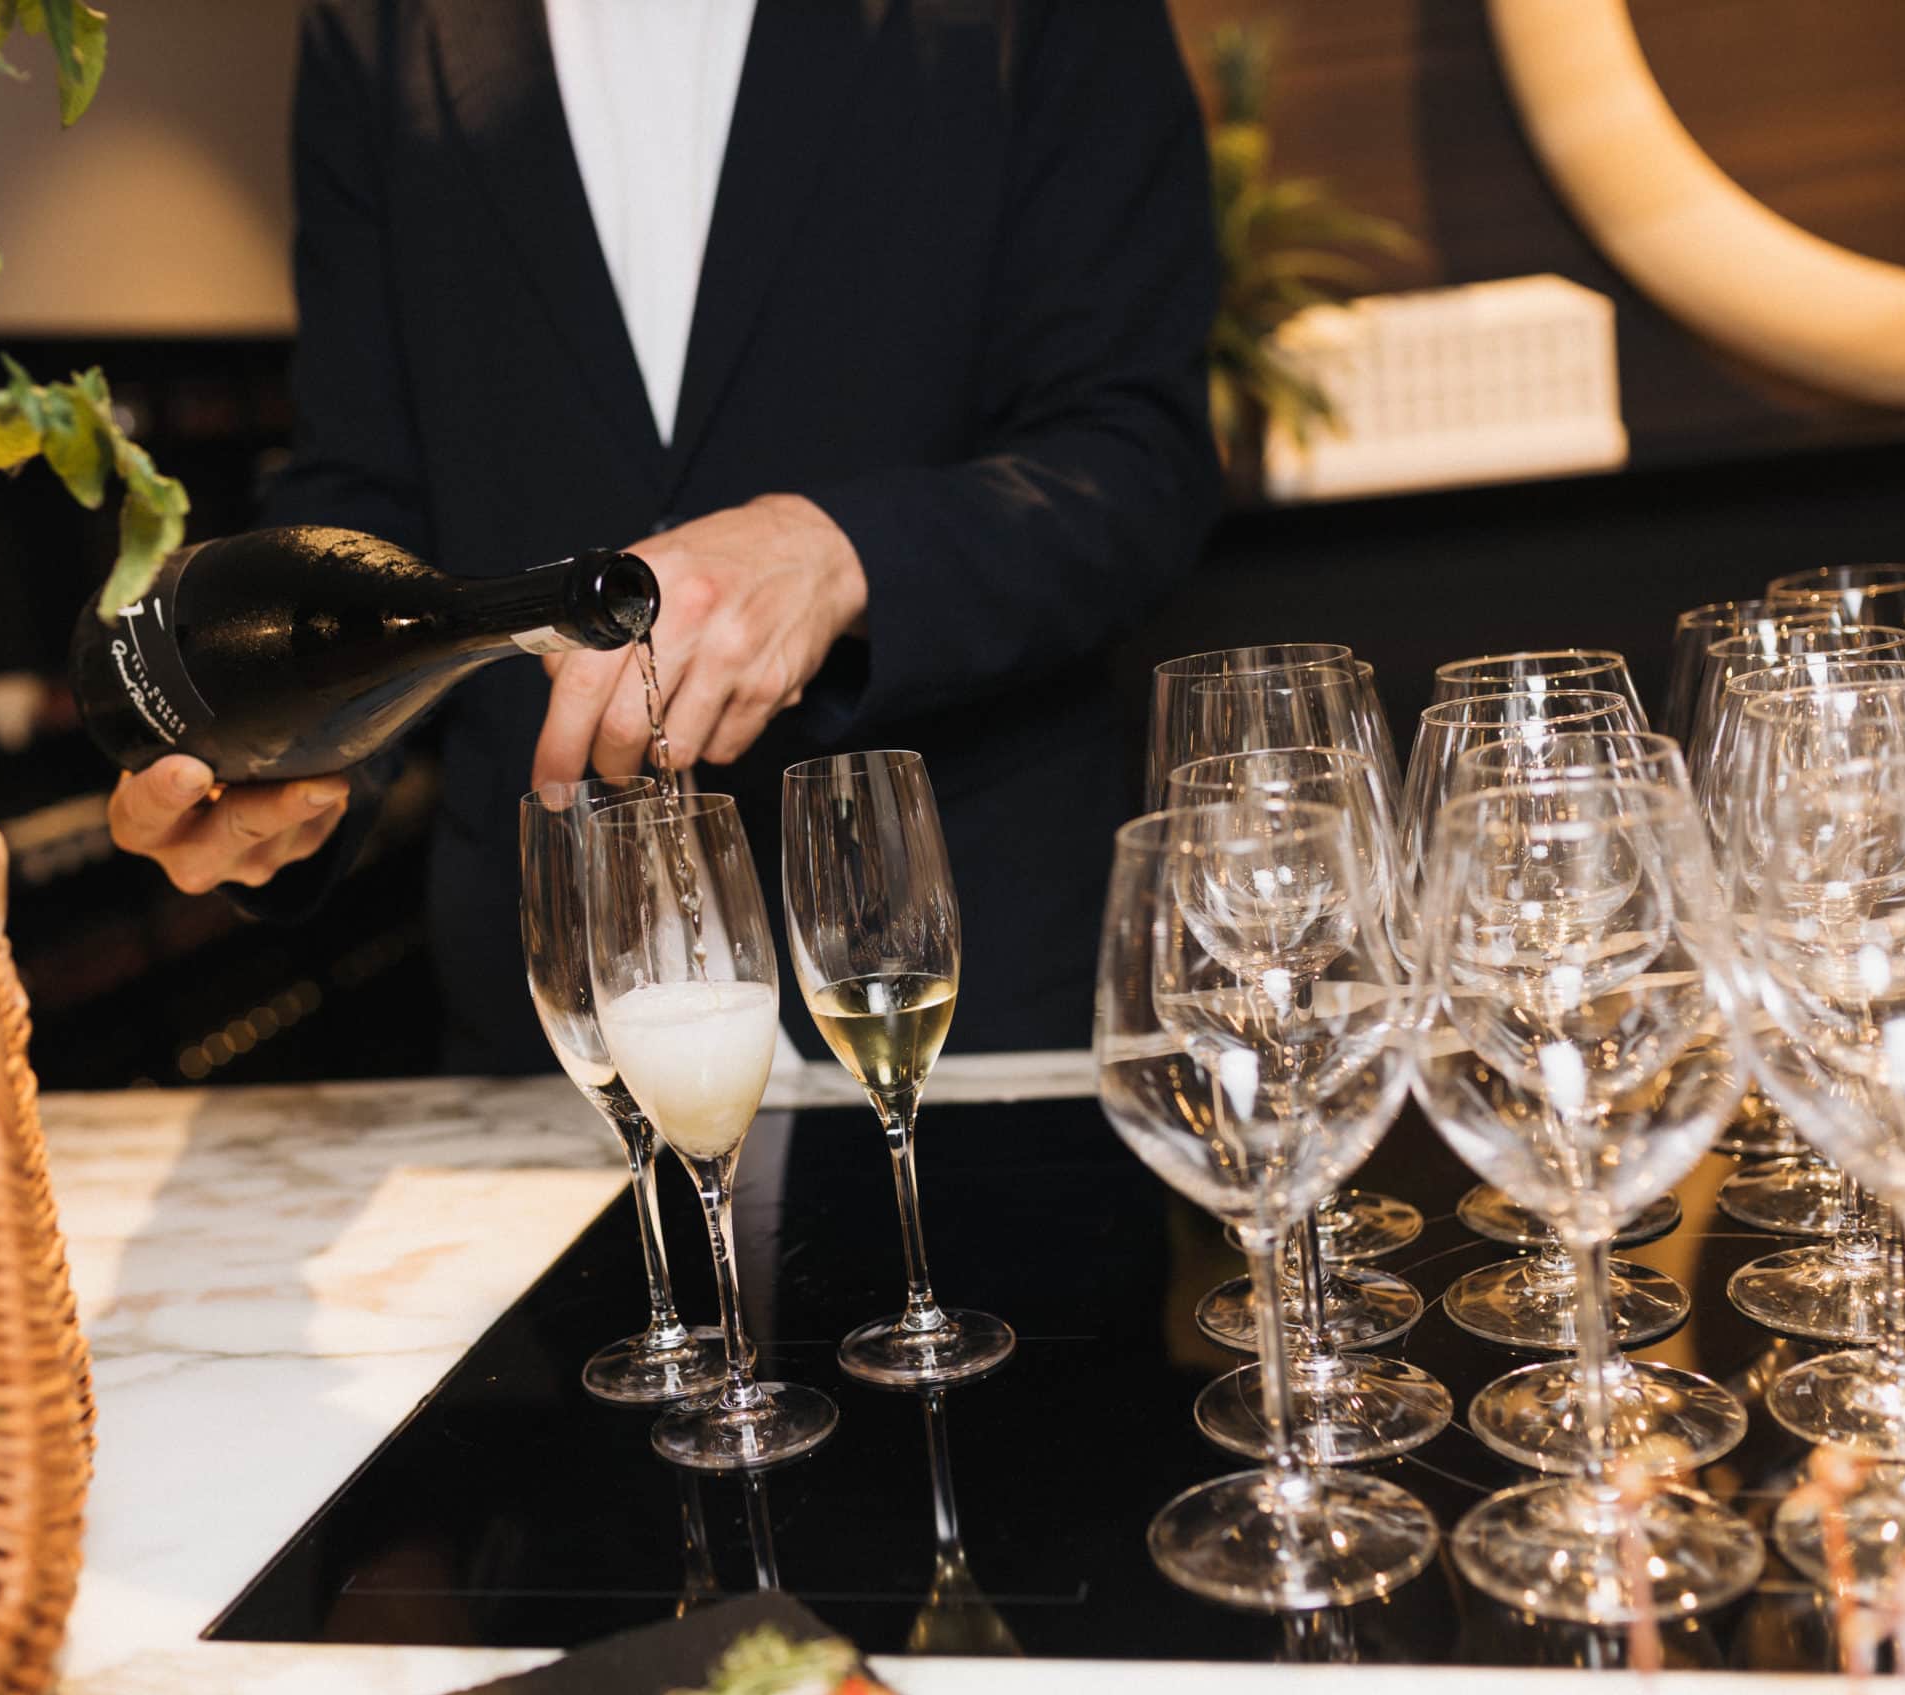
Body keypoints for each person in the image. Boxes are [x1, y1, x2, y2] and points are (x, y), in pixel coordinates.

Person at [107, 0, 1221, 1073]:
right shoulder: (376, 21)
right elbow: (362, 485)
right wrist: (295, 762)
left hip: (951, 981)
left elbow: (1136, 455)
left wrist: (839, 552)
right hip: (560, 1003)